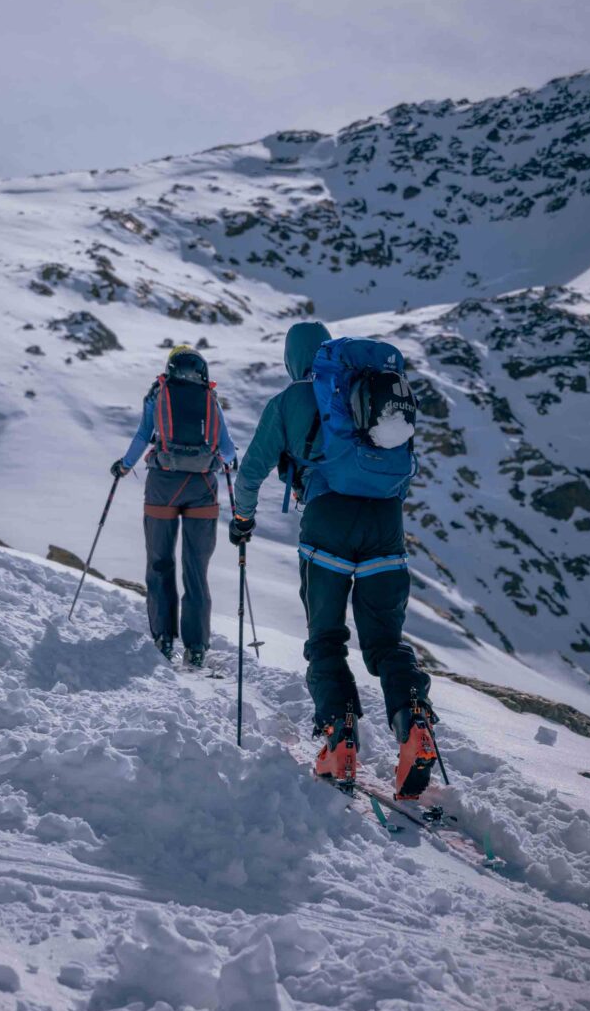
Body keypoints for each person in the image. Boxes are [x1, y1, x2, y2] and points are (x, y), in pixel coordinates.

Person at [229, 321, 437, 799]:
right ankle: (414, 722)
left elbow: (252, 472)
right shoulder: (364, 390)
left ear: (291, 359)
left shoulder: (286, 403)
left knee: (326, 638)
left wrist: (242, 519)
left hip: (326, 525)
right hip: (385, 524)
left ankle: (338, 739)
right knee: (385, 643)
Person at [111, 345, 236, 668]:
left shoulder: (158, 395)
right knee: (196, 569)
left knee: (159, 562)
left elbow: (143, 435)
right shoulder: (210, 400)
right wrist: (216, 463)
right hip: (203, 489)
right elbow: (228, 450)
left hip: (162, 486)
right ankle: (196, 647)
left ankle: (163, 638)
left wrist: (125, 466)